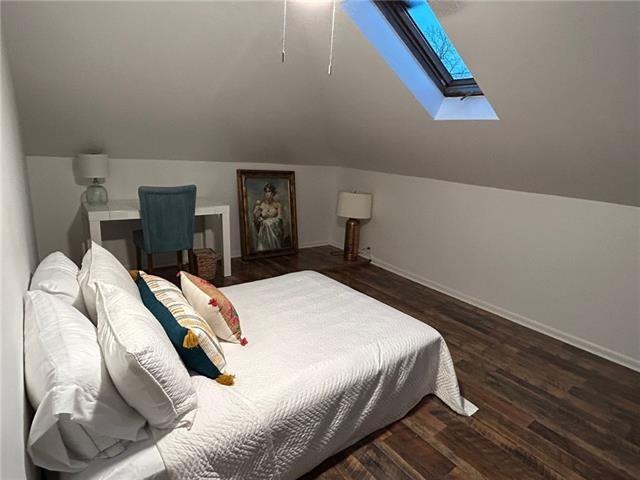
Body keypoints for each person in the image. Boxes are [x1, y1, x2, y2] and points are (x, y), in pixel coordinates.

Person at [253, 183, 284, 251]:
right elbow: (256, 217)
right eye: (266, 191)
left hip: (274, 230)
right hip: (264, 232)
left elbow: (280, 218)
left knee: (267, 224)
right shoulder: (262, 205)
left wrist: (269, 222)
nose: (267, 193)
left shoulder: (277, 205)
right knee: (265, 224)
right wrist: (259, 217)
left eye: (269, 191)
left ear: (272, 193)